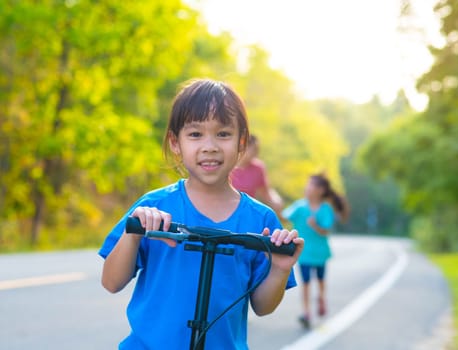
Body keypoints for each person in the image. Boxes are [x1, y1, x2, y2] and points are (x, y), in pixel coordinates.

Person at [99, 78, 304, 349]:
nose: (210, 146)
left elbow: (263, 307)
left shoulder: (260, 220)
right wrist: (133, 234)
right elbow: (112, 282)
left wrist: (279, 270)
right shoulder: (154, 206)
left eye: (223, 134)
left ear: (242, 143)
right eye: (195, 135)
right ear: (175, 142)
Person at [281, 173, 346, 329]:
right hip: (303, 254)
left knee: (321, 280)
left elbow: (326, 230)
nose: (307, 188)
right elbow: (283, 216)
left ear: (321, 190)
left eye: (311, 185)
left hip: (320, 253)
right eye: (307, 184)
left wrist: (315, 225)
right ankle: (306, 312)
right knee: (306, 283)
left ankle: (321, 298)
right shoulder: (299, 206)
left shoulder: (325, 209)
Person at [230, 134, 283, 213]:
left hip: (247, 210)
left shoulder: (258, 167)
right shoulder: (228, 165)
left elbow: (265, 191)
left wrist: (276, 201)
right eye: (253, 149)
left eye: (257, 149)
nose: (256, 152)